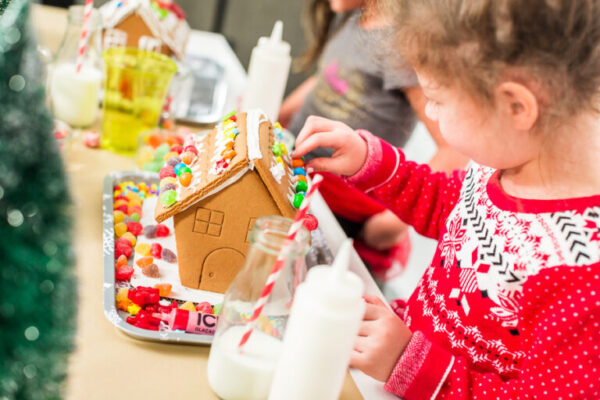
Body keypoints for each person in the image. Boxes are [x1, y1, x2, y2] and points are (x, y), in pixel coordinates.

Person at [292, 0, 600, 397]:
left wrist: (410, 362)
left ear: (515, 106)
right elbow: (451, 210)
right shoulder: (501, 162)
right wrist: (371, 160)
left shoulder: (580, 270)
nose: (431, 114)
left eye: (437, 98)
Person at [279, 0, 468, 278]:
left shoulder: (401, 44)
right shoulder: (353, 17)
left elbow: (454, 148)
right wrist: (277, 114)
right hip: (300, 177)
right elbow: (328, 77)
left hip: (338, 206)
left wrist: (391, 224)